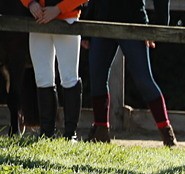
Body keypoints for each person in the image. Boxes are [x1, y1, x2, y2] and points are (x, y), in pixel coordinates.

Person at [84, 0, 176, 145]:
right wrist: (87, 25)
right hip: (101, 22)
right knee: (97, 77)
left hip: (133, 23)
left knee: (144, 80)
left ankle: (166, 133)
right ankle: (100, 131)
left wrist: (158, 26)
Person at [20, 0, 85, 140]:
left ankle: (70, 134)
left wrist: (58, 9)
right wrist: (31, 3)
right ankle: (46, 132)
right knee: (42, 78)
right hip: (38, 21)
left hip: (67, 21)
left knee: (69, 77)